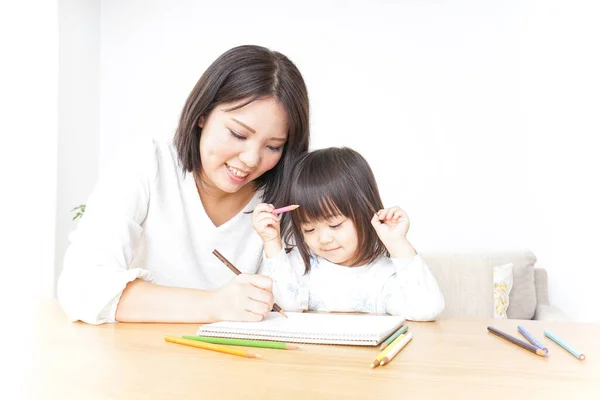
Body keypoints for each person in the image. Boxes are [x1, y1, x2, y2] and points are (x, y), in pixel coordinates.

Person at [57, 45, 310, 324]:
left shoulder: (285, 200)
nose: (251, 159)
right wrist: (213, 305)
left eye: (273, 147)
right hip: (139, 357)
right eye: (238, 134)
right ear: (203, 114)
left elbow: (303, 301)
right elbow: (81, 288)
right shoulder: (148, 165)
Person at [253, 147, 444, 321]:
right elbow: (283, 306)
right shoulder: (303, 265)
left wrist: (397, 242)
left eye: (335, 225)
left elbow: (426, 309)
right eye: (309, 229)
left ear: (364, 212)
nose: (323, 239)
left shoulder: (383, 275)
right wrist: (271, 241)